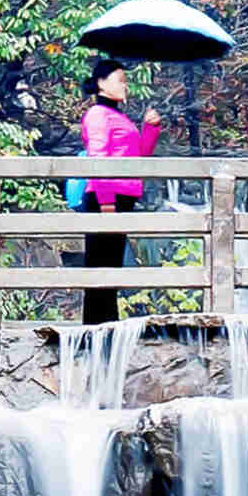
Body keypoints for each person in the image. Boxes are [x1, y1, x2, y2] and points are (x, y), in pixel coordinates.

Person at [72, 66, 160, 324]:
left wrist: (150, 128)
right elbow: (98, 159)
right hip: (105, 197)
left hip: (122, 196)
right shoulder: (98, 114)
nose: (125, 85)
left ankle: (108, 327)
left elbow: (139, 157)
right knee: (101, 266)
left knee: (111, 266)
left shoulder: (117, 116)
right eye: (120, 80)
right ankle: (96, 331)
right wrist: (106, 202)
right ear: (101, 83)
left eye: (126, 81)